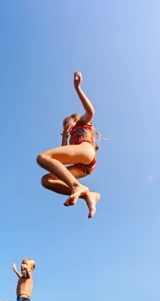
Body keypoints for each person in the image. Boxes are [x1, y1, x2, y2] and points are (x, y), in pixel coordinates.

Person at [37, 71, 102, 219]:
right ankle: (88, 196)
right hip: (83, 167)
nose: (66, 125)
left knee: (42, 157)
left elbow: (90, 112)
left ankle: (77, 187)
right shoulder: (71, 137)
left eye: (67, 122)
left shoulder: (82, 123)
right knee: (47, 180)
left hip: (86, 151)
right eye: (63, 124)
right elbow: (59, 160)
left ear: (75, 119)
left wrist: (77, 87)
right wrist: (65, 136)